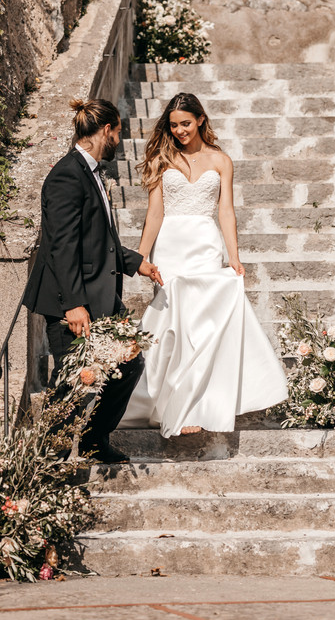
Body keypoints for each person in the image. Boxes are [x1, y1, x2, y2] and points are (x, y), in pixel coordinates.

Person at [119, 93, 288, 437]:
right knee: (174, 323)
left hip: (205, 244)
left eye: (186, 123)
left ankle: (196, 405)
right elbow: (155, 213)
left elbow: (226, 210)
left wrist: (234, 256)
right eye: (174, 124)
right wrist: (141, 257)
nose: (180, 130)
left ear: (199, 120)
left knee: (203, 325)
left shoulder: (221, 160)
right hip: (171, 246)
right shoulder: (162, 158)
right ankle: (165, 402)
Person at [23, 98, 163, 463]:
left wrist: (136, 263)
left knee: (128, 364)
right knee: (71, 379)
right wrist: (73, 303)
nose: (118, 138)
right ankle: (45, 459)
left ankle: (93, 440)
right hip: (71, 299)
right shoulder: (67, 175)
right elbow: (62, 245)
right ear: (106, 130)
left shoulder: (90, 172)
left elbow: (99, 239)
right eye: (117, 131)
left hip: (97, 295)